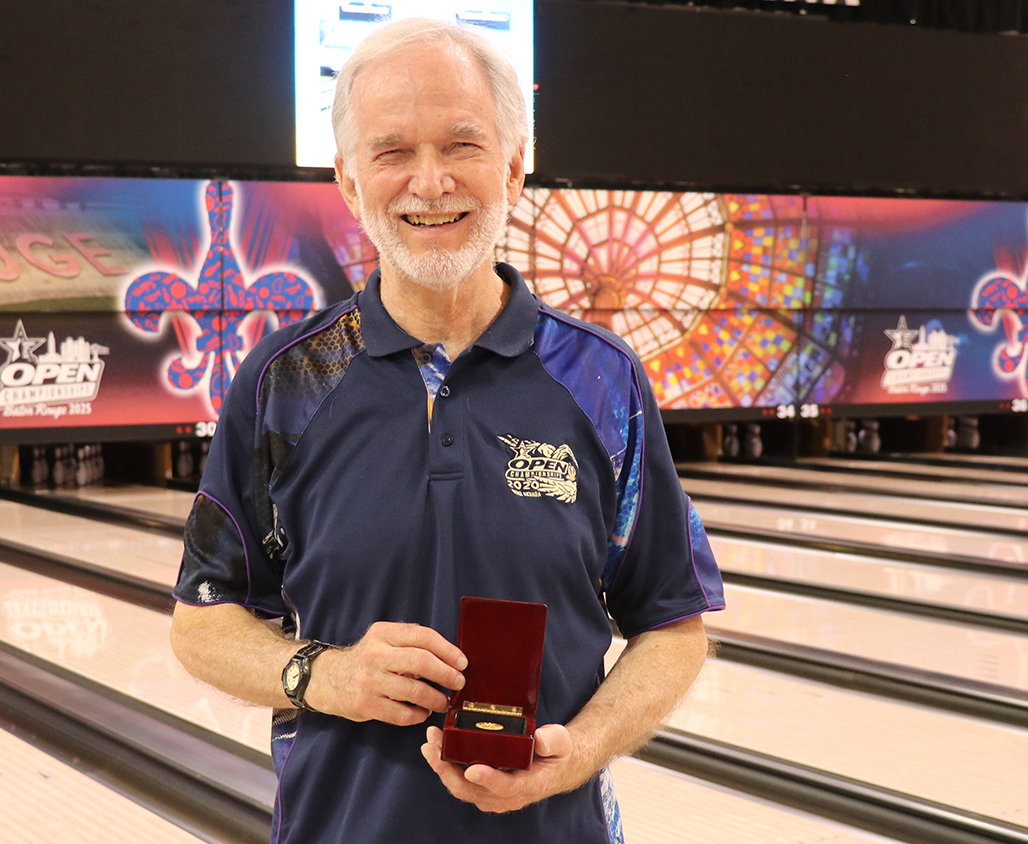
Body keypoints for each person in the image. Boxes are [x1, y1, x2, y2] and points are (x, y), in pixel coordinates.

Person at [169, 17, 724, 844]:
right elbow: (202, 622)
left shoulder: (603, 381)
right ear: (352, 184)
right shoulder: (285, 381)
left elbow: (673, 626)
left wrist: (581, 753)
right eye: (392, 152)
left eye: (462, 145)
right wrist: (323, 675)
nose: (429, 183)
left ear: (513, 166)